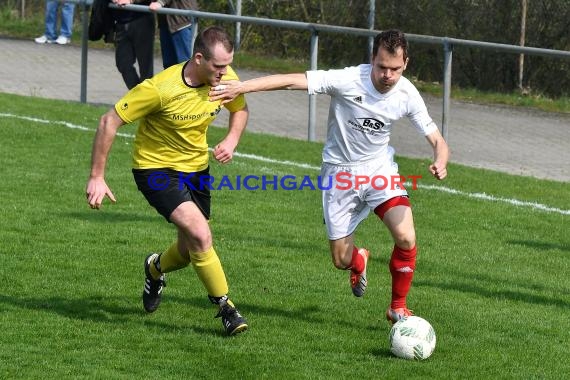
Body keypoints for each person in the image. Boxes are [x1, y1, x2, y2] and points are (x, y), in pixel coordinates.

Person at [209, 29, 449, 324]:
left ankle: (397, 307)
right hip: (339, 175)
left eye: (395, 69)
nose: (388, 75)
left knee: (406, 236)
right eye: (382, 67)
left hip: (378, 171)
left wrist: (440, 160)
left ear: (406, 64)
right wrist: (241, 88)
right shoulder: (348, 79)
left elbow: (438, 140)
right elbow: (291, 80)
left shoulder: (407, 93)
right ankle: (358, 259)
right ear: (372, 59)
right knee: (341, 260)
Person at [85, 26, 250, 336]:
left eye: (227, 65)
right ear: (199, 58)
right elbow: (109, 121)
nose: (224, 73)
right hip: (155, 169)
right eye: (218, 66)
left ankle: (154, 267)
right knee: (201, 235)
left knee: (189, 251)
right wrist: (97, 176)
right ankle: (226, 308)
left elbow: (239, 109)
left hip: (196, 170)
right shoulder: (160, 89)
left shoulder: (226, 79)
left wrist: (231, 139)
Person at [110, 0, 156, 89]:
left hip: (142, 18)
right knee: (123, 63)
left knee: (145, 68)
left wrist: (131, 0)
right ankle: (139, 95)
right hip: (121, 22)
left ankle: (146, 98)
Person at [149, 0, 198, 69]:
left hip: (182, 22)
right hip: (165, 22)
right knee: (168, 65)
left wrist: (160, 2)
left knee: (184, 64)